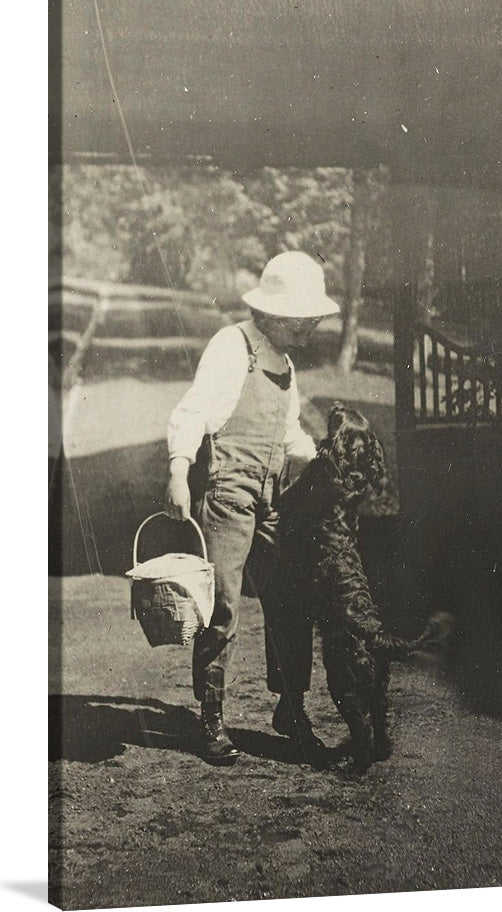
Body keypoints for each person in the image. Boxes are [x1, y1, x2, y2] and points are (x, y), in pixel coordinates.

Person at [165, 251, 339, 764]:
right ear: (277, 314)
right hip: (227, 493)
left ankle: (291, 706)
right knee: (223, 603)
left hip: (272, 496)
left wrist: (327, 460)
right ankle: (212, 718)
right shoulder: (231, 346)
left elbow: (288, 437)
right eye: (304, 319)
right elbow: (194, 409)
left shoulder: (284, 365)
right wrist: (178, 470)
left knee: (291, 595)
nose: (310, 328)